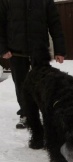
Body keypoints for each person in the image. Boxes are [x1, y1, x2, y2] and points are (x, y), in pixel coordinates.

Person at [0, 0, 66, 129]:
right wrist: (2, 49)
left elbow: (55, 24)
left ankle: (47, 112)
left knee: (44, 84)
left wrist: (60, 50)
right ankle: (26, 114)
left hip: (40, 50)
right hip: (16, 52)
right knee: (21, 85)